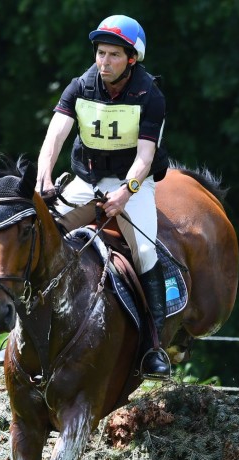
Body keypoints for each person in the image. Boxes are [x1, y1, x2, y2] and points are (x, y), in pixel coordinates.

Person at [36, 14, 172, 380]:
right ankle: (29, 332)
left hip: (133, 182)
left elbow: (145, 157)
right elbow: (55, 137)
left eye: (113, 54)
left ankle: (153, 347)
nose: (104, 62)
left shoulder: (150, 95)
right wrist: (43, 176)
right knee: (43, 236)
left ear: (132, 58)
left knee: (143, 251)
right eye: (100, 53)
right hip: (86, 179)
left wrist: (126, 193)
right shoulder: (80, 85)